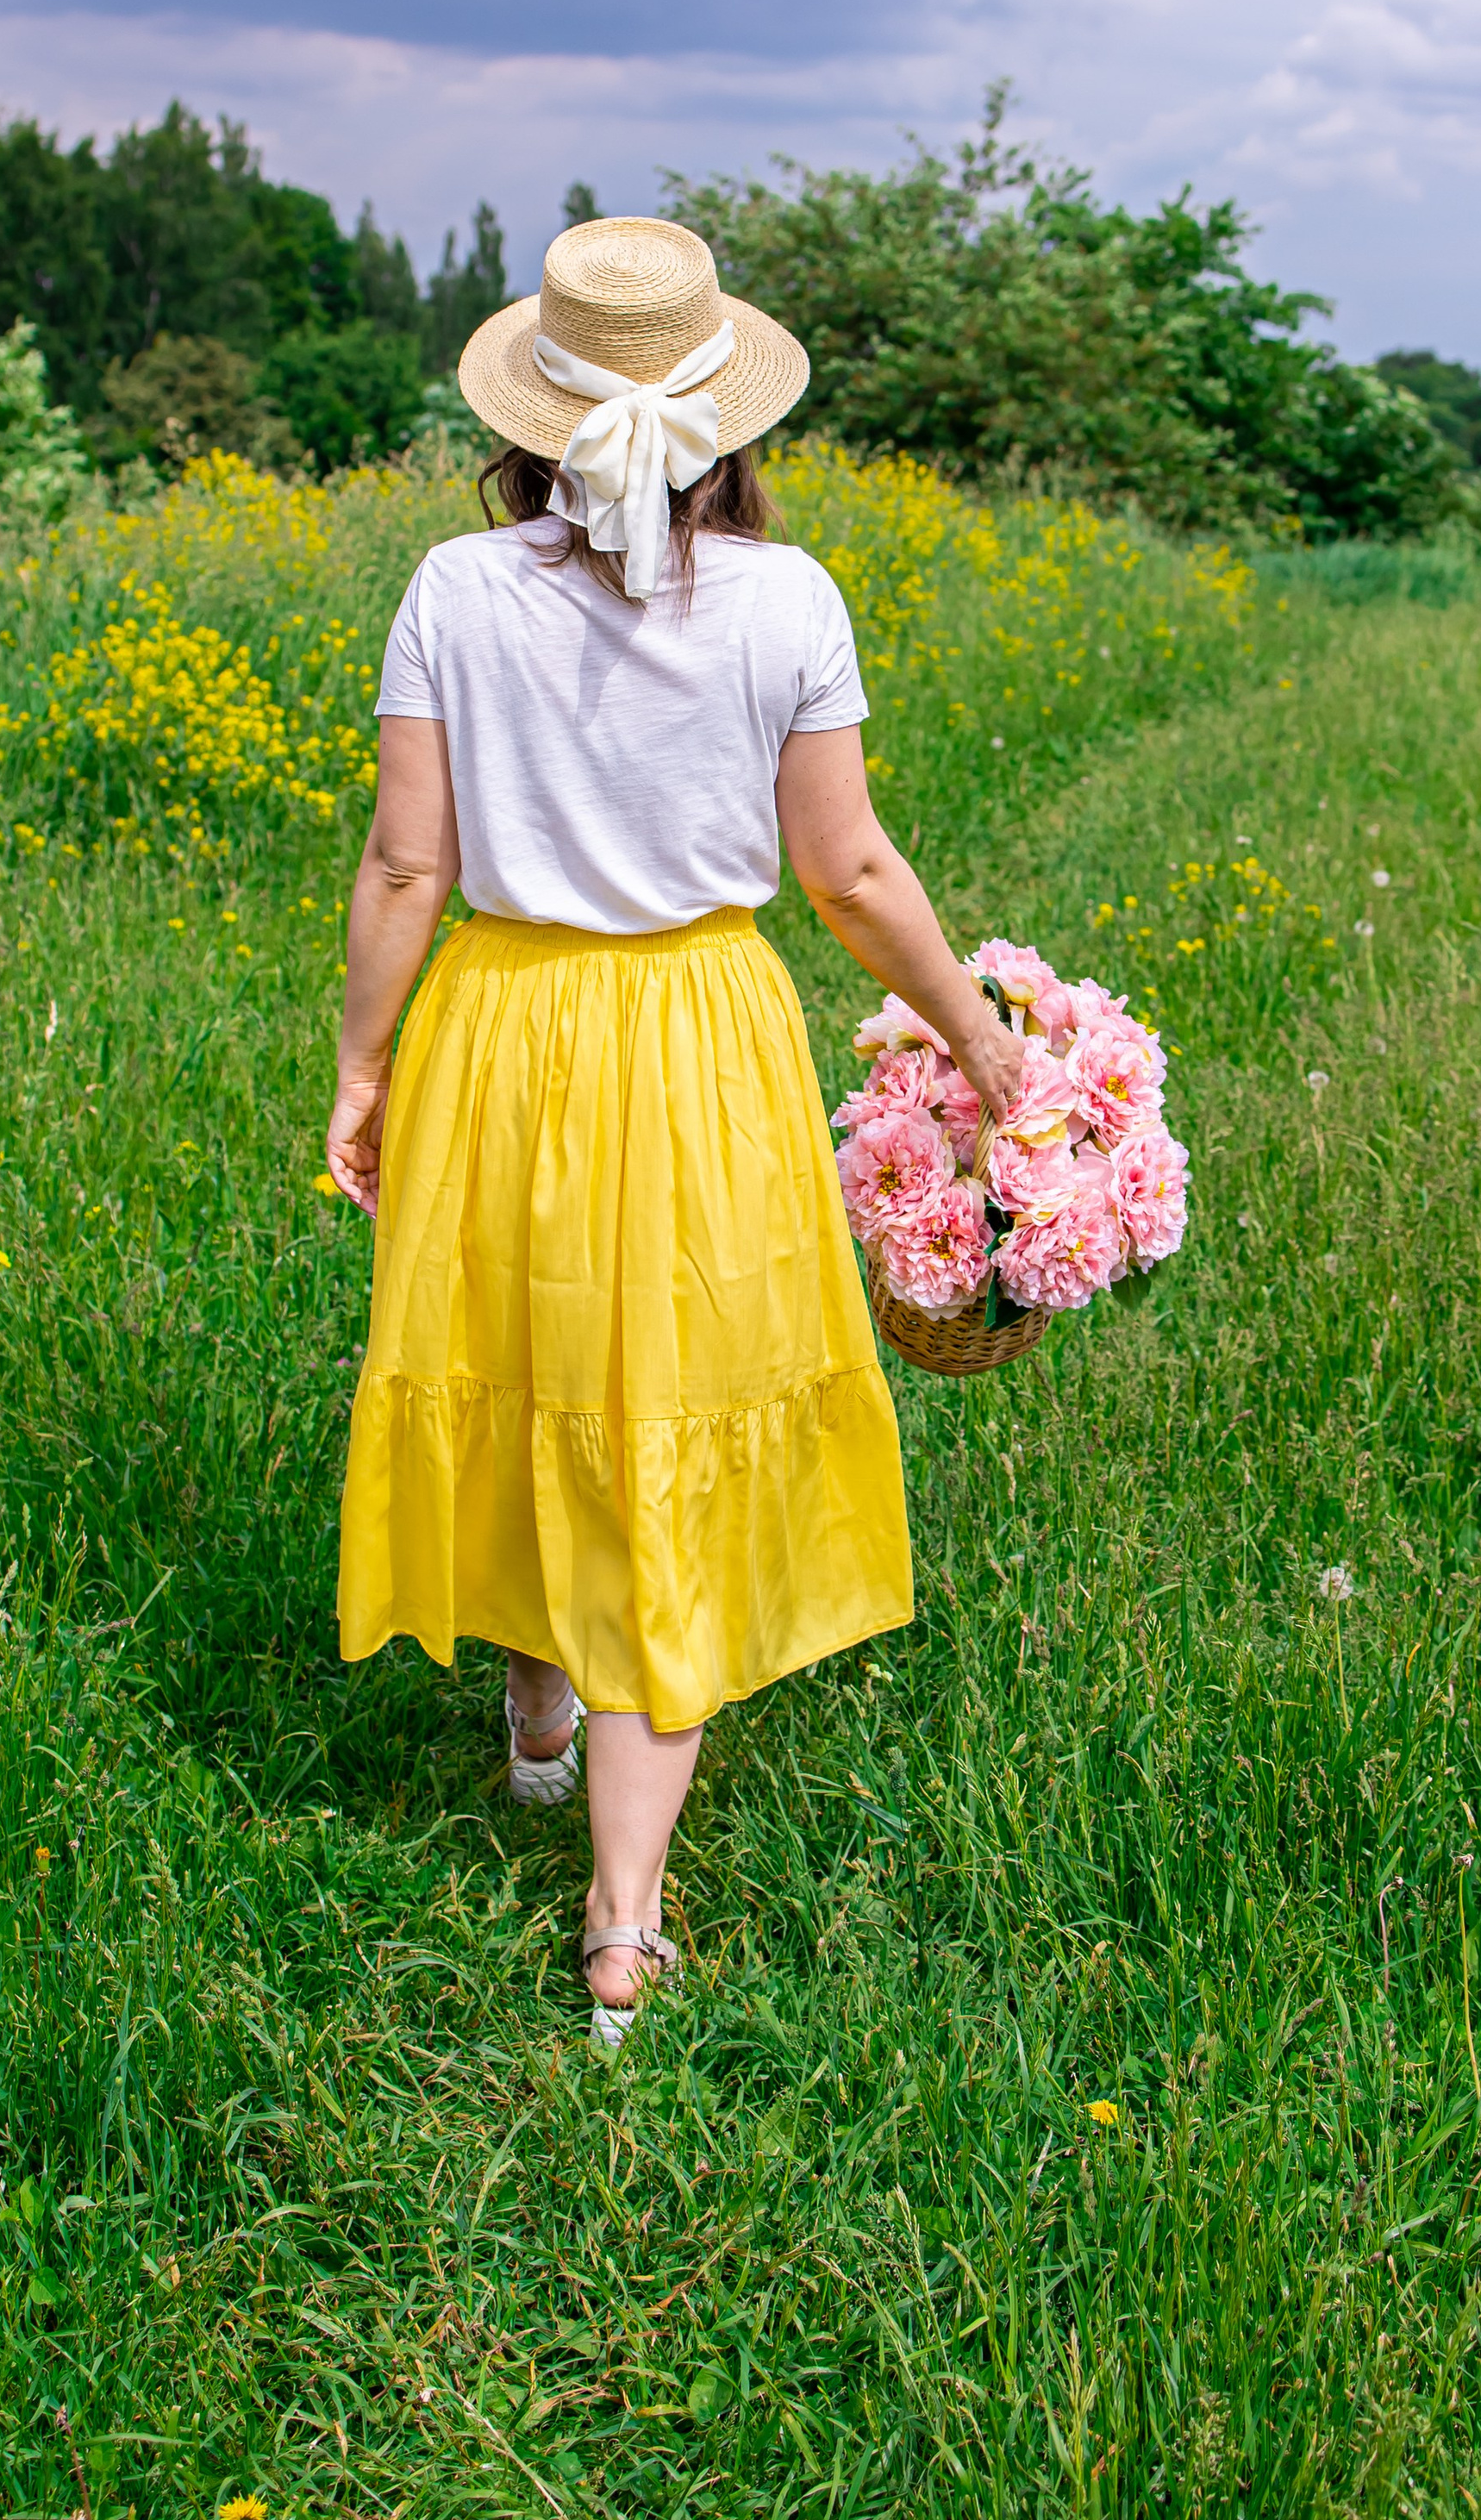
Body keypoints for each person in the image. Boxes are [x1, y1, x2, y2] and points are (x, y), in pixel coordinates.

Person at [325, 216, 1025, 2044]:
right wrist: (980, 1037)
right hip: (699, 1035)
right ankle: (621, 1931)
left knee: (532, 1358)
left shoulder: (452, 588)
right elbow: (848, 870)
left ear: (531, 418)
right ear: (727, 419)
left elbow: (408, 860)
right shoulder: (786, 603)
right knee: (671, 1416)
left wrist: (359, 1066)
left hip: (500, 1022)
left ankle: (539, 1710)